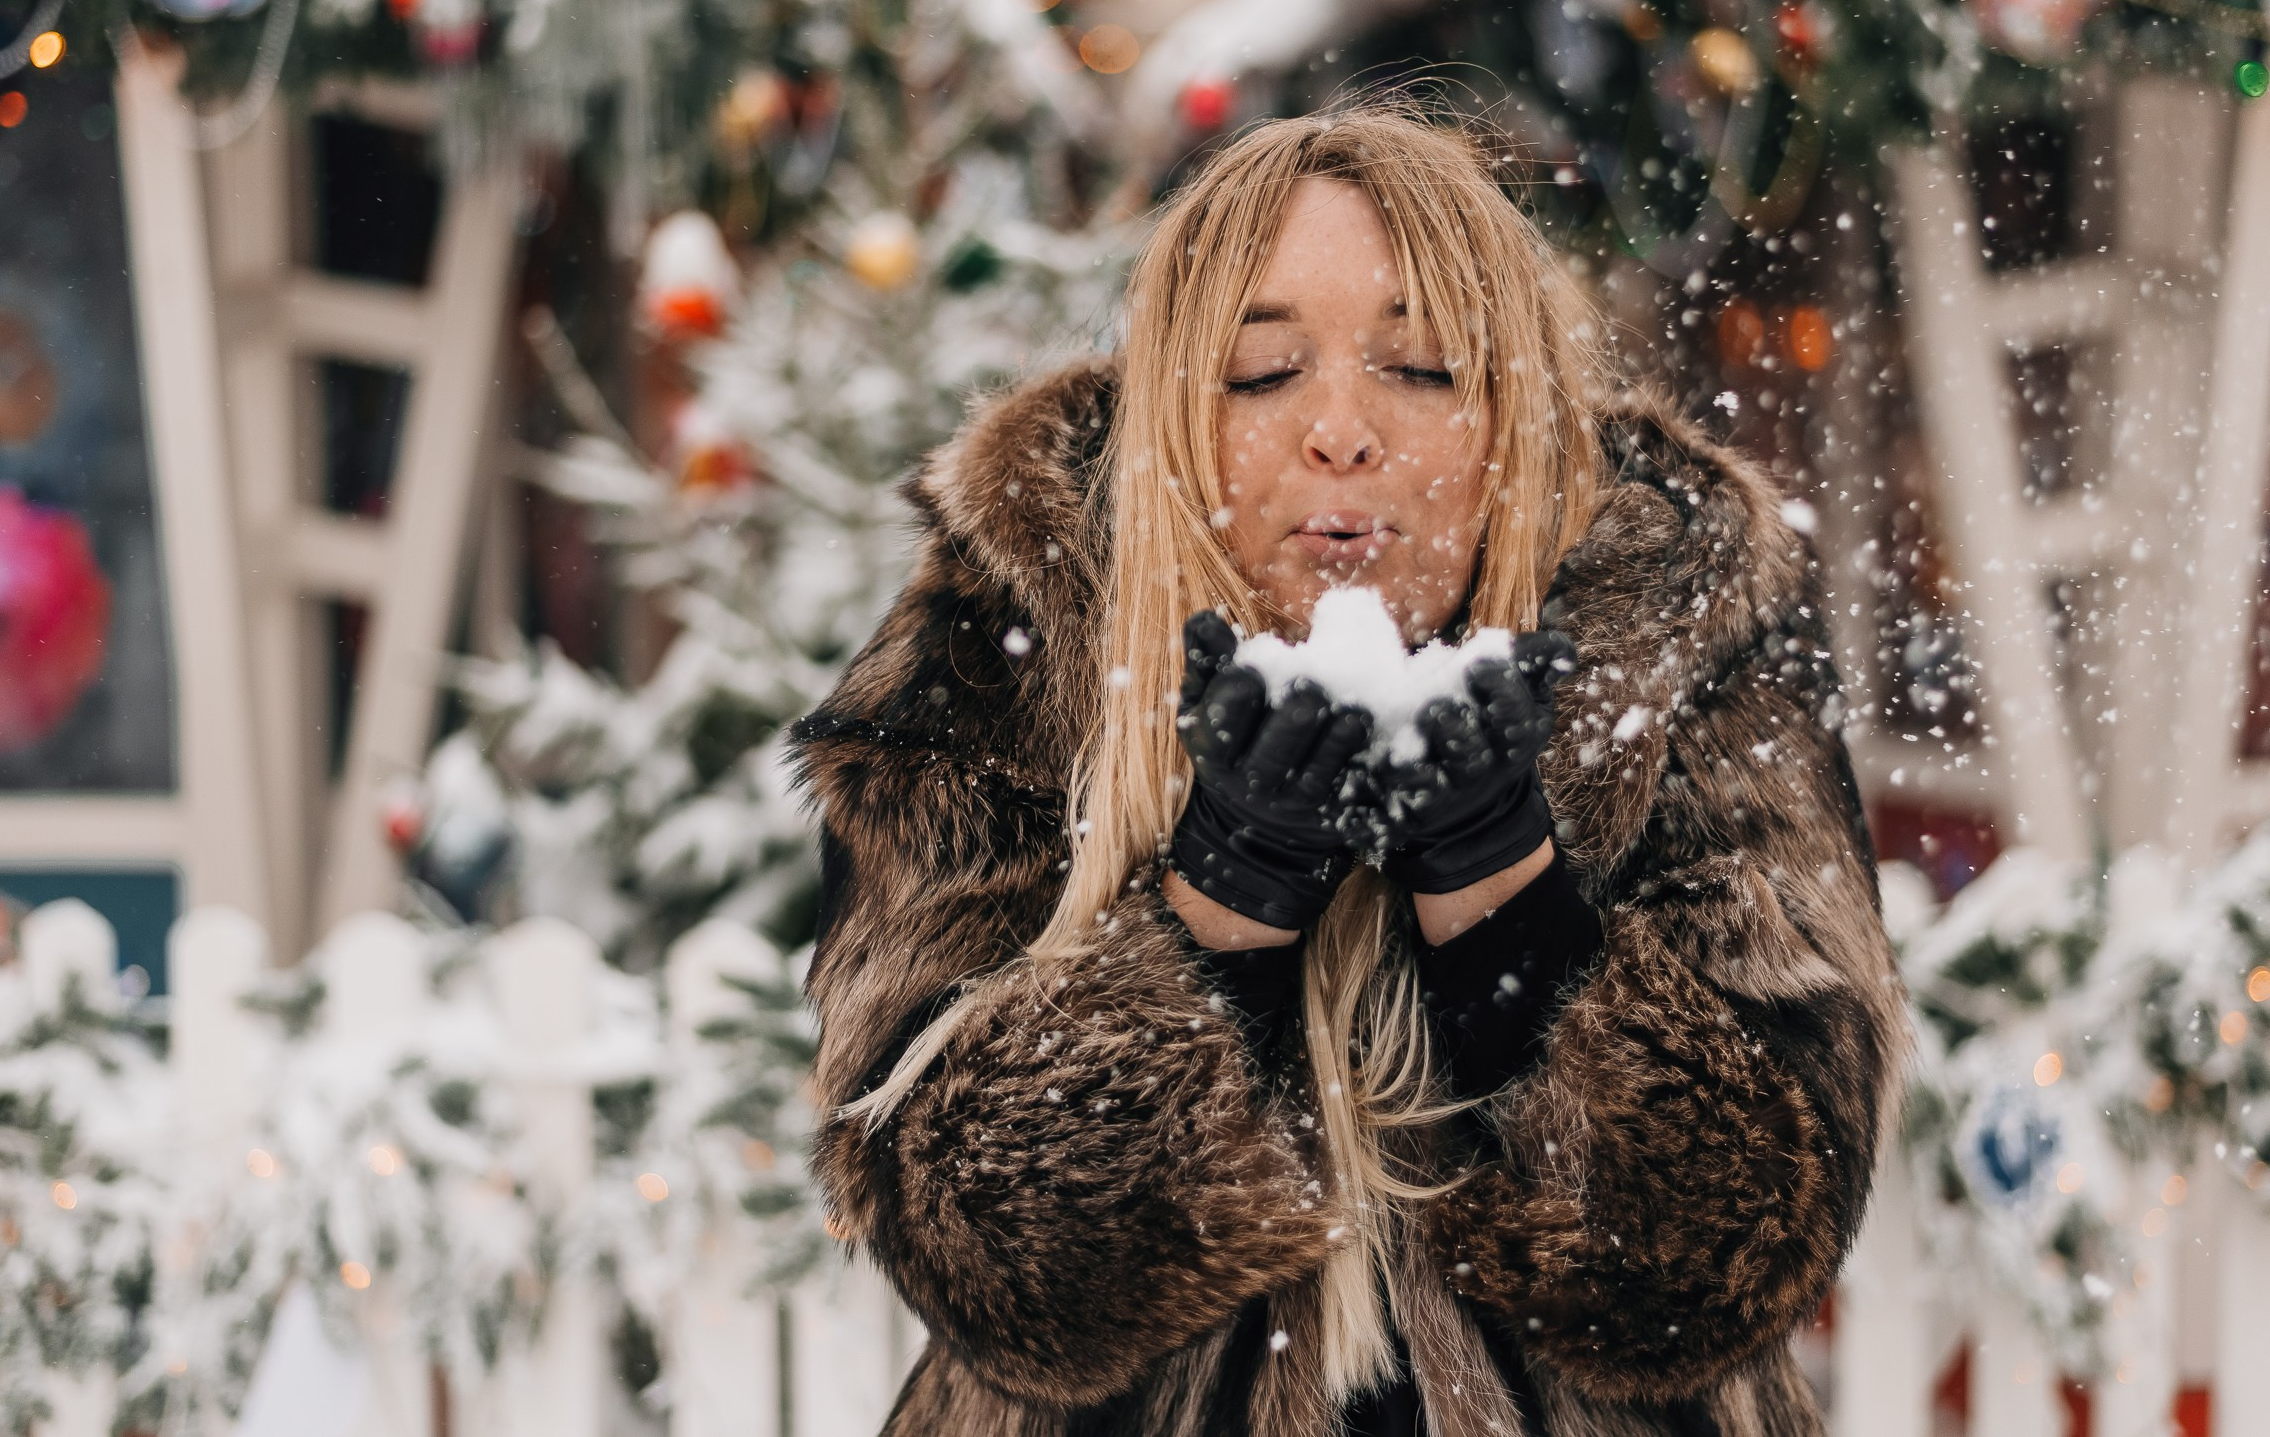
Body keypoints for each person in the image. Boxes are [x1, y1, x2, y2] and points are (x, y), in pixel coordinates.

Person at [793, 105, 1905, 1437]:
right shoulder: (1009, 649)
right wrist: (1217, 912)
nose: (1341, 430)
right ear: (1171, 425)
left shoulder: (1679, 635)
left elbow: (1725, 1260)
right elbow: (994, 1268)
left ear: (1512, 419)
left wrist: (1513, 913)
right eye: (1262, 375)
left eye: (1423, 368)